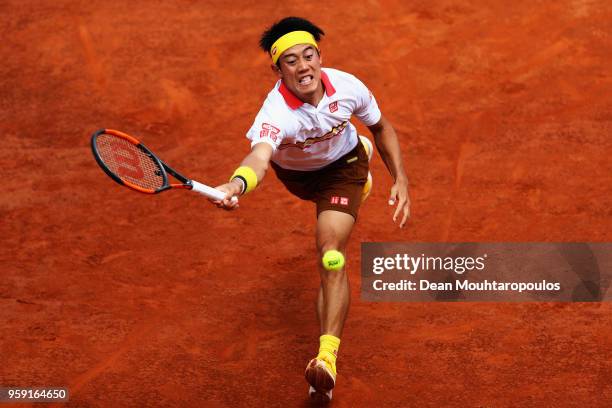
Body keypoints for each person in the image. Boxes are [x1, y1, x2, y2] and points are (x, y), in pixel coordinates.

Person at [212, 16, 410, 402]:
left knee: (331, 254)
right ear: (278, 69)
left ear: (319, 57)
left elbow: (381, 126)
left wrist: (400, 178)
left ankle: (326, 358)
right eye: (291, 60)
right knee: (320, 211)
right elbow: (259, 156)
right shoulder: (275, 113)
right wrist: (237, 184)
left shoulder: (347, 86)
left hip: (343, 170)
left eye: (308, 56)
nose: (303, 67)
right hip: (298, 178)